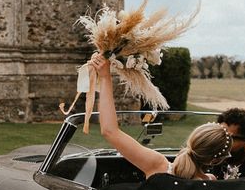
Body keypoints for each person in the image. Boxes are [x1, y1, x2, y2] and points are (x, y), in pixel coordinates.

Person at [90, 53, 232, 180]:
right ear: (215, 161)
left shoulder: (157, 165)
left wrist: (104, 77)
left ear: (193, 139)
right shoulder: (212, 181)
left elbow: (109, 131)